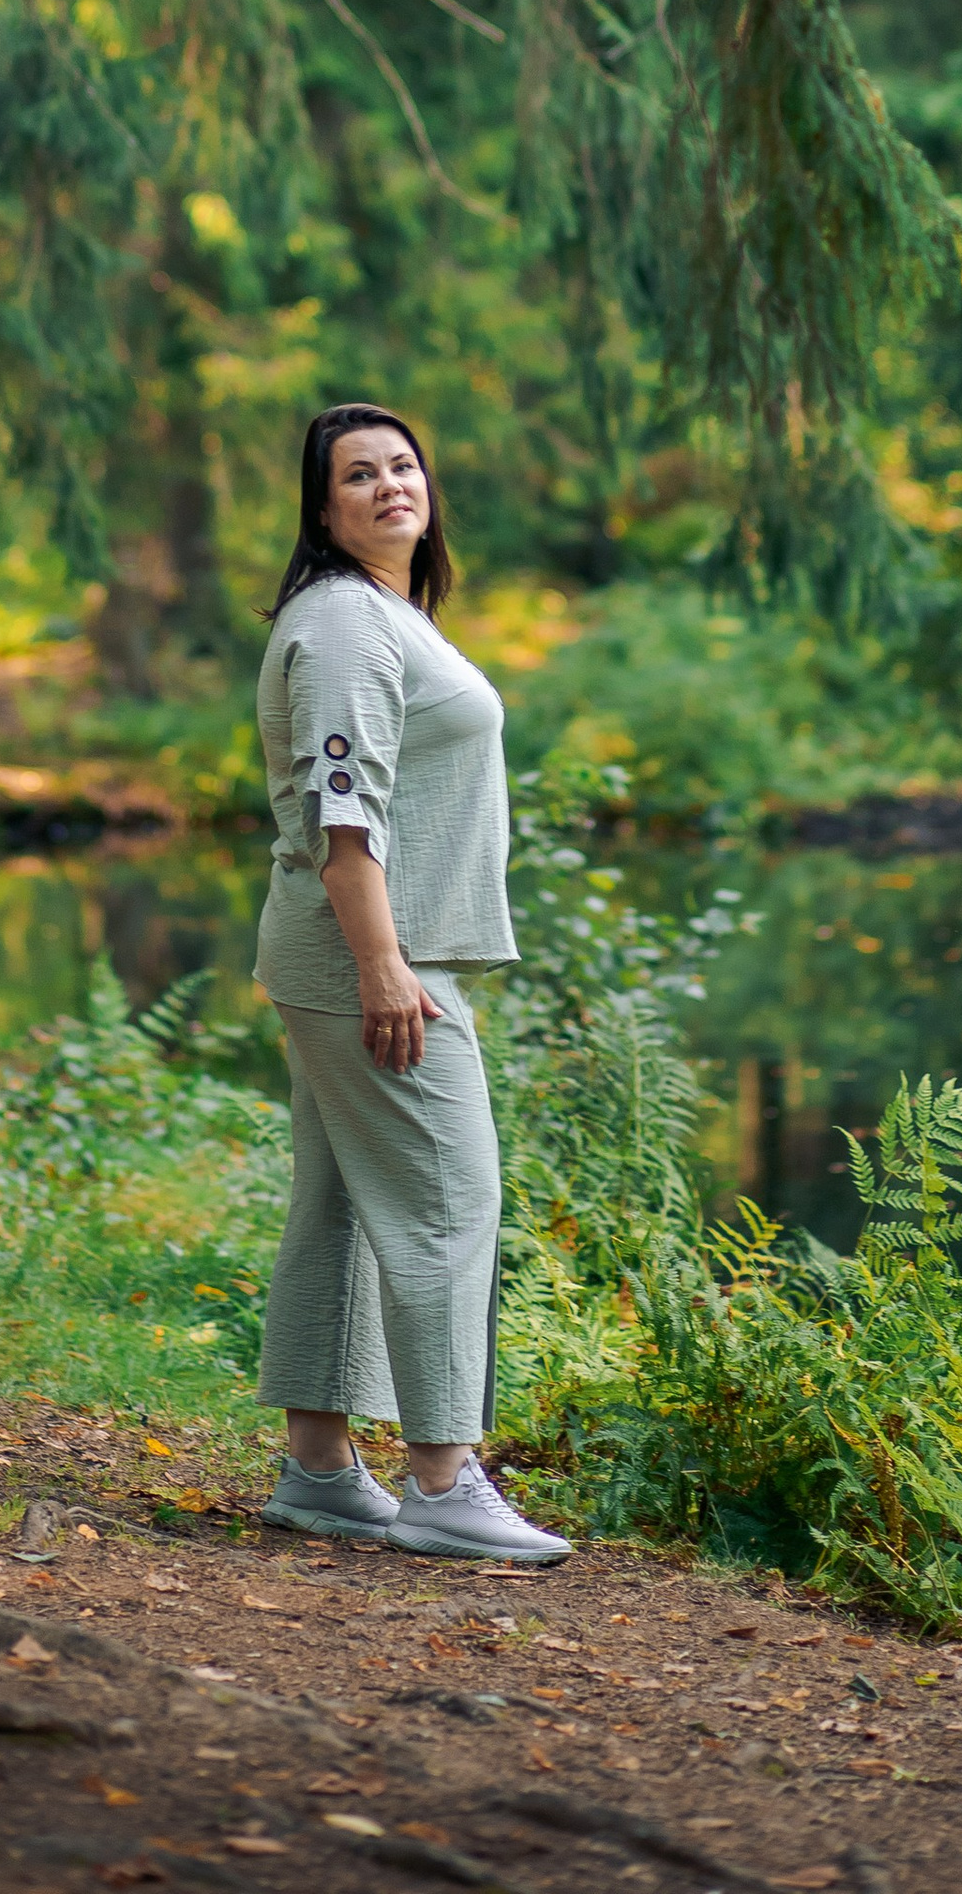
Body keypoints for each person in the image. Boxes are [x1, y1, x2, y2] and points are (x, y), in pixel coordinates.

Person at [250, 402, 570, 1565]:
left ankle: (320, 1471)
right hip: (375, 962)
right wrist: (385, 967)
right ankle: (443, 1479)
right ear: (323, 509)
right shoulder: (344, 625)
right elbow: (347, 814)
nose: (390, 485)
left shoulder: (382, 612)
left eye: (402, 465)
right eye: (358, 475)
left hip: (360, 955)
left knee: (339, 1209)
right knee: (446, 1201)